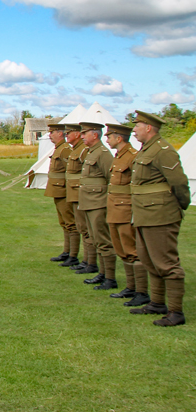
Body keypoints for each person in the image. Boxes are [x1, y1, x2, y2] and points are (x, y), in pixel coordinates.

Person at [128, 110, 190, 326]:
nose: (134, 130)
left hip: (160, 215)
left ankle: (176, 312)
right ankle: (156, 303)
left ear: (148, 128)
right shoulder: (147, 149)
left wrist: (179, 206)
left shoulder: (163, 150)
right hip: (145, 214)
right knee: (149, 260)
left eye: (137, 126)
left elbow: (179, 182)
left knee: (166, 263)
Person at [104, 124, 148, 306]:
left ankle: (142, 291)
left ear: (119, 138)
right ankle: (131, 287)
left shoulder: (132, 156)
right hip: (114, 208)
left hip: (125, 209)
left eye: (109, 136)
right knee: (121, 249)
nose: (107, 140)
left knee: (132, 250)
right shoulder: (119, 156)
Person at [77, 122, 115, 289]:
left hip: (98, 202)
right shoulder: (91, 152)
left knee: (103, 240)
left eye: (84, 133)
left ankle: (110, 278)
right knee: (96, 239)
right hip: (89, 202)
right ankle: (103, 273)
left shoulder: (103, 153)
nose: (82, 137)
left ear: (95, 135)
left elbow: (111, 179)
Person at [43, 124, 77, 265]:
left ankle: (73, 255)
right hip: (57, 190)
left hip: (64, 191)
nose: (50, 135)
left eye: (52, 132)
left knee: (70, 224)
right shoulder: (59, 148)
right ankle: (67, 251)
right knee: (64, 223)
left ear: (60, 133)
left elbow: (72, 170)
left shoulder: (65, 149)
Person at [65, 124, 94, 274]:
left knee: (85, 228)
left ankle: (89, 261)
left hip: (81, 193)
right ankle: (86, 260)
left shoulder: (83, 150)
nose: (66, 135)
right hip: (74, 192)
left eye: (68, 133)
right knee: (81, 226)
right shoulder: (76, 149)